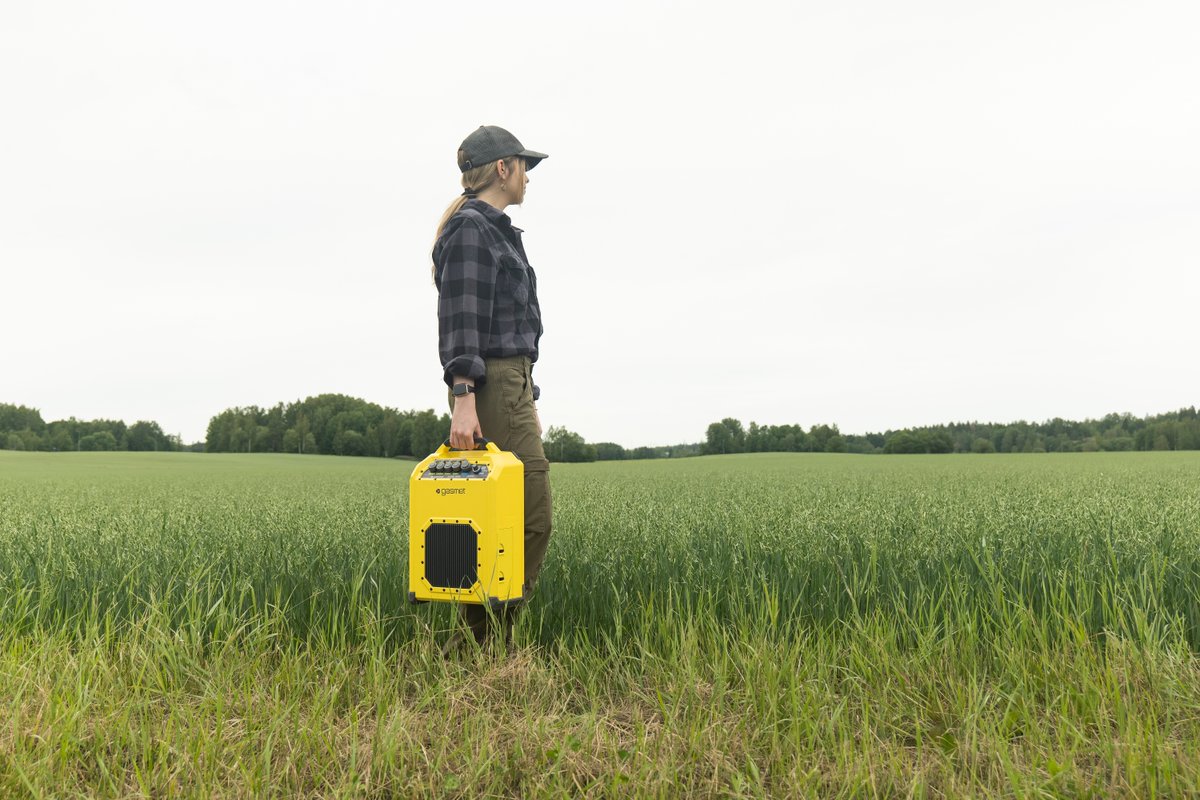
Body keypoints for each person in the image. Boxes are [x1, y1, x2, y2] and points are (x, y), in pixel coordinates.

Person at [429, 125, 552, 652]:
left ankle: (482, 645)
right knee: (531, 517)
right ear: (503, 168)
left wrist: (525, 390)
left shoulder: (496, 230)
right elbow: (462, 318)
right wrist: (464, 397)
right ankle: (478, 642)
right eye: (523, 165)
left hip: (511, 383)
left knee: (503, 519)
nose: (528, 176)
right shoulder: (473, 231)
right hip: (490, 384)